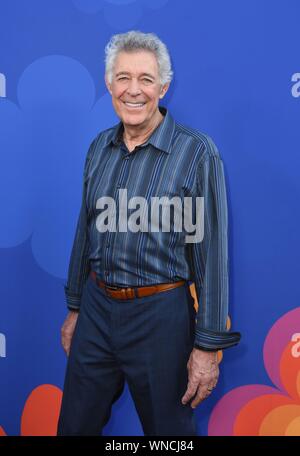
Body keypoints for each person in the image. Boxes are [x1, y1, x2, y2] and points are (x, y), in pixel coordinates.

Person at [57, 30, 241, 436]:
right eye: (123, 78)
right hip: (97, 309)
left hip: (162, 316)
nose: (133, 90)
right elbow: (84, 232)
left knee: (169, 435)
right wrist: (75, 307)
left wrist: (208, 347)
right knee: (73, 428)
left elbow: (212, 257)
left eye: (145, 79)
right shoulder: (98, 148)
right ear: (109, 84)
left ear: (163, 86)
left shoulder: (196, 152)